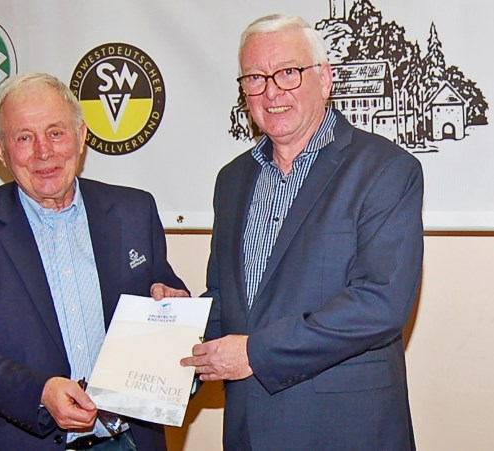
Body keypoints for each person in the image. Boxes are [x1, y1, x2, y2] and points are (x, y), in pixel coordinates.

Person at [181, 14, 424, 450]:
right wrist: (173, 331)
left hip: (346, 432)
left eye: (288, 72)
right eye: (255, 78)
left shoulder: (385, 169)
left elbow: (379, 304)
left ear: (324, 79)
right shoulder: (232, 180)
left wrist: (254, 353)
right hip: (249, 430)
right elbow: (226, 300)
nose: (272, 91)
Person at [0, 72, 188, 451]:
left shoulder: (134, 210)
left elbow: (163, 290)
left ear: (81, 136)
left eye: (56, 132)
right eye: (24, 138)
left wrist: (173, 305)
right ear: (0, 150)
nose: (43, 152)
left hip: (129, 441)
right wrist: (40, 392)